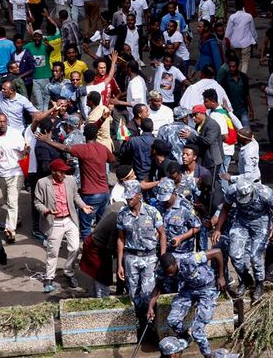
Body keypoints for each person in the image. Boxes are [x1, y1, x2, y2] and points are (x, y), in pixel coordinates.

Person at [37, 123, 116, 240]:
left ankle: (87, 254)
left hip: (90, 194)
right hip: (105, 193)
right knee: (101, 226)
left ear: (84, 135)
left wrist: (46, 140)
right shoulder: (103, 148)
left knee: (86, 227)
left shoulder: (83, 149)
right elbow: (112, 159)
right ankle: (99, 253)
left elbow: (65, 148)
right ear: (96, 135)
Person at [212, 176, 273, 301]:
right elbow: (226, 208)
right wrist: (217, 228)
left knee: (256, 256)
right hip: (241, 221)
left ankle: (259, 284)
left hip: (261, 221)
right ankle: (245, 279)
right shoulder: (232, 191)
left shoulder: (264, 192)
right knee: (234, 254)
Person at [147, 250, 226, 357]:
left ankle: (208, 355)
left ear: (176, 263)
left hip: (207, 288)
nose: (170, 275)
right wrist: (150, 307)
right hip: (188, 288)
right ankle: (185, 337)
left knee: (197, 331)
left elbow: (217, 252)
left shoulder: (190, 259)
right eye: (167, 273)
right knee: (173, 320)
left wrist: (221, 276)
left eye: (171, 272)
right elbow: (158, 287)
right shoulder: (162, 269)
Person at [35, 158, 92, 293]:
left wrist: (83, 206)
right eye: (61, 172)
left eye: (65, 172)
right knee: (53, 252)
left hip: (69, 219)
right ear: (54, 172)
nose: (64, 175)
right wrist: (46, 211)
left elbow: (75, 196)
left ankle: (69, 272)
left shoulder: (70, 180)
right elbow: (37, 202)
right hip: (54, 222)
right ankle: (49, 278)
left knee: (74, 248)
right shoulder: (42, 183)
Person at [117, 180, 167, 319]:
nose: (128, 200)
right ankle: (138, 321)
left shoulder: (152, 212)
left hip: (149, 257)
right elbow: (120, 239)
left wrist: (162, 257)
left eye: (131, 197)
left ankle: (150, 318)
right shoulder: (122, 214)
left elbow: (162, 234)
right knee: (133, 293)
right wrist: (120, 264)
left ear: (138, 195)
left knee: (148, 292)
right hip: (131, 257)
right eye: (126, 198)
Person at [0, 113, 27, 242]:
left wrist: (27, 151)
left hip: (15, 173)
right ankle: (18, 219)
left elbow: (24, 151)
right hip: (0, 174)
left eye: (4, 121)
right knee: (8, 200)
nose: (2, 124)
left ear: (7, 122)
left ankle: (10, 230)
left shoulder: (15, 135)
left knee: (12, 201)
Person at [180, 104, 223, 183]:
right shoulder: (199, 124)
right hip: (203, 159)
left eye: (195, 115)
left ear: (202, 113)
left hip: (212, 160)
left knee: (210, 183)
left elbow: (208, 141)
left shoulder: (212, 125)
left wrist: (191, 136)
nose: (193, 118)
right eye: (192, 116)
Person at [219, 57, 254, 129]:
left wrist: (251, 110)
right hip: (231, 112)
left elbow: (247, 94)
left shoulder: (243, 78)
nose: (231, 68)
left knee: (247, 131)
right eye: (230, 66)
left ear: (237, 67)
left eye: (233, 66)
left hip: (243, 110)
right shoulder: (225, 80)